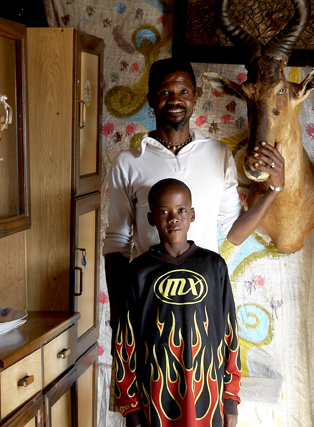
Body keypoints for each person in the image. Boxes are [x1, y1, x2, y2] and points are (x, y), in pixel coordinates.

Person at [103, 59, 285, 323]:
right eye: (165, 92)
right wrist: (119, 317)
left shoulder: (218, 154)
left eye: (183, 92)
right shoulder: (129, 162)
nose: (175, 100)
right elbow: (118, 242)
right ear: (151, 99)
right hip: (150, 303)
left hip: (205, 299)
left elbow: (233, 232)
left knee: (205, 363)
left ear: (196, 96)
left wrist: (274, 189)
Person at [112, 179, 241, 427]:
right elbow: (124, 344)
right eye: (164, 212)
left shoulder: (214, 267)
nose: (174, 218)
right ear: (151, 218)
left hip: (207, 397)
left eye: (181, 210)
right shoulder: (138, 271)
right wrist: (132, 409)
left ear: (192, 214)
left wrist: (231, 399)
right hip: (156, 396)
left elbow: (230, 335)